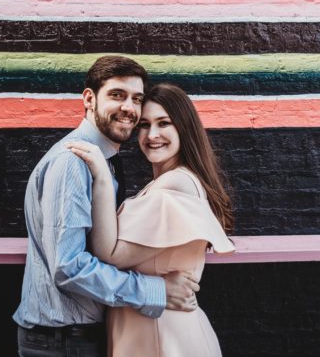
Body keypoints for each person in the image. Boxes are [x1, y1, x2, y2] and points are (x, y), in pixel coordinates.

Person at [14, 56, 200, 357]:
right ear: (89, 99)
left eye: (136, 99)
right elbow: (68, 267)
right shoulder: (72, 162)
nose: (129, 107)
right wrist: (157, 290)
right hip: (62, 342)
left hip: (76, 339)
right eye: (117, 95)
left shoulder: (102, 162)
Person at [67, 82, 236, 356]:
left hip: (163, 339)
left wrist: (101, 178)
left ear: (184, 128)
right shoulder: (171, 183)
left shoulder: (174, 185)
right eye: (144, 125)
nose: (152, 134)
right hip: (155, 334)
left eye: (164, 123)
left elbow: (109, 254)